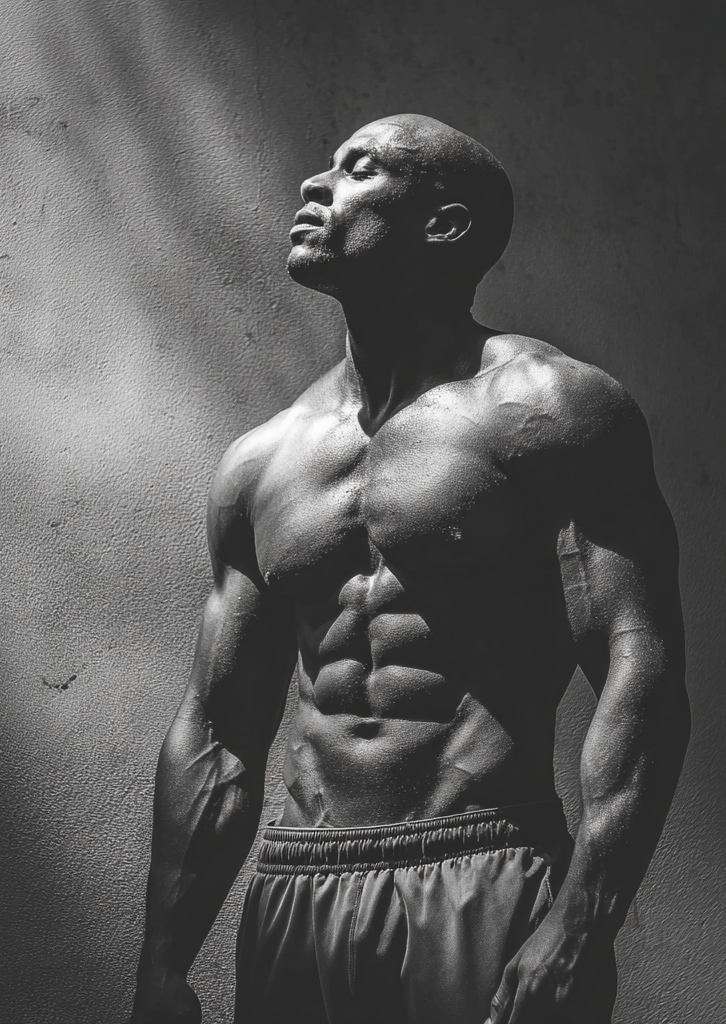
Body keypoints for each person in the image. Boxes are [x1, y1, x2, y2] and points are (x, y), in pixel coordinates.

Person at [130, 113, 689, 1024]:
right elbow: (221, 727)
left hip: (481, 871)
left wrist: (581, 923)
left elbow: (642, 668)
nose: (315, 187)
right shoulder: (260, 463)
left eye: (358, 168)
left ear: (446, 225)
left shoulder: (549, 409)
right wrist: (162, 968)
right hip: (297, 889)